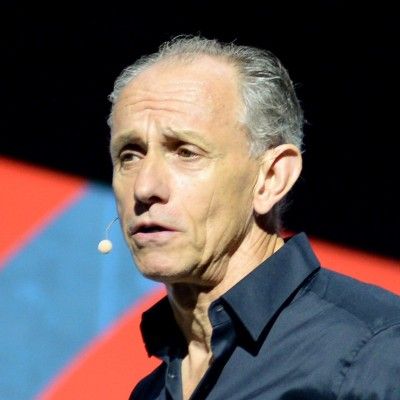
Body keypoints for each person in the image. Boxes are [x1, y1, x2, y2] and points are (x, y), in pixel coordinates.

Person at [107, 36, 400, 399]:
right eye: (129, 155)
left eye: (186, 152)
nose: (145, 187)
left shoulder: (376, 353)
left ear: (271, 177)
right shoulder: (150, 391)